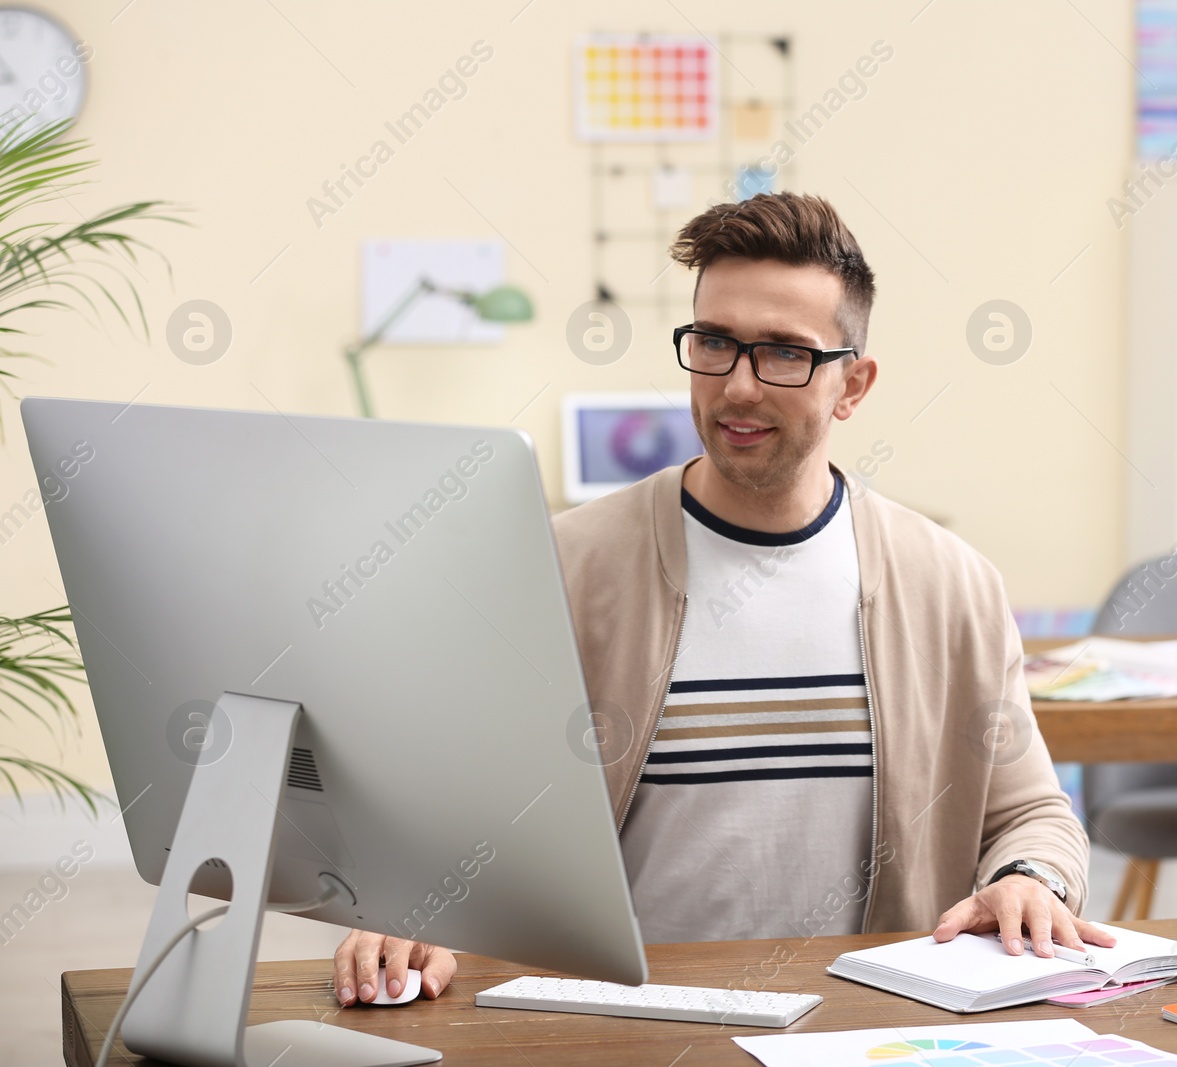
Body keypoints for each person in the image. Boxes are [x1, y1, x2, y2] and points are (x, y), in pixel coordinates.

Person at [332, 192, 1108, 1006]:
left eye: (782, 353)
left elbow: (1032, 813)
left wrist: (1030, 879)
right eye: (714, 343)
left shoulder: (950, 583)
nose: (738, 386)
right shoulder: (566, 563)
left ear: (854, 384)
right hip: (619, 1028)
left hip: (865, 1030)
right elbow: (463, 808)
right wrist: (410, 904)